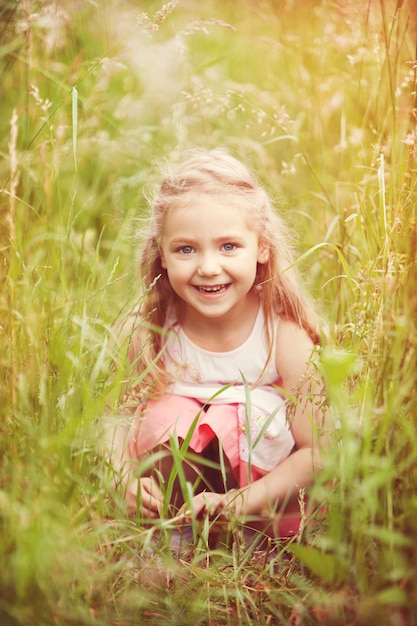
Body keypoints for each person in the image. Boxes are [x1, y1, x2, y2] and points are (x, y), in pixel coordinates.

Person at [108, 148, 330, 539]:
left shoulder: (282, 335)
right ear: (162, 254)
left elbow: (322, 451)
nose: (209, 267)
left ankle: (240, 535)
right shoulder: (149, 329)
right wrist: (120, 475)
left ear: (262, 247)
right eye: (186, 249)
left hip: (259, 503)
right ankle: (173, 532)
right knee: (167, 415)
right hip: (170, 500)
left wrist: (241, 501)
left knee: (238, 417)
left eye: (229, 246)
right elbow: (110, 421)